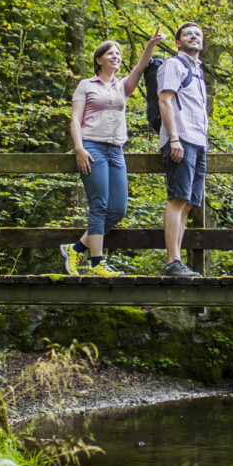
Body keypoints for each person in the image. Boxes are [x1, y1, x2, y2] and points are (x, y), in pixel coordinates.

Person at [63, 28, 165, 277]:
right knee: (99, 205)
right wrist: (79, 149)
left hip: (116, 150)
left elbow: (139, 68)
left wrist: (151, 45)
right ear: (99, 59)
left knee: (118, 208)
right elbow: (75, 120)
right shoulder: (85, 85)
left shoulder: (122, 87)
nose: (116, 57)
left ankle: (75, 248)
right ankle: (97, 264)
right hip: (92, 147)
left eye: (118, 54)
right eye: (110, 53)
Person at [158, 22, 208, 278]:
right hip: (182, 141)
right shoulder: (174, 65)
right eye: (188, 33)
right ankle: (172, 260)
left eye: (198, 34)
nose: (194, 36)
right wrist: (174, 139)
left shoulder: (198, 72)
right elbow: (165, 100)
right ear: (178, 42)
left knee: (188, 204)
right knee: (177, 198)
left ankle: (176, 263)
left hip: (199, 144)